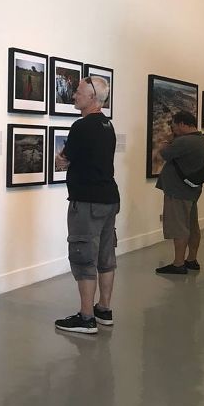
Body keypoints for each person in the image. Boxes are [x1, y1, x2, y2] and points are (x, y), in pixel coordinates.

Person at [54, 76, 120, 334]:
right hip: (109, 199)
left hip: (88, 202)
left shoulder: (81, 127)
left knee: (83, 257)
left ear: (92, 97)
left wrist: (63, 161)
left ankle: (86, 317)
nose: (73, 95)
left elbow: (64, 160)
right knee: (106, 256)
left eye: (78, 92)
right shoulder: (107, 125)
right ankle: (104, 309)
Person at [154, 111, 204, 274]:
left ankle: (178, 264)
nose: (174, 129)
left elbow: (164, 153)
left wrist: (165, 142)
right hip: (191, 191)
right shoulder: (201, 140)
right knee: (192, 227)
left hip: (178, 191)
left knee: (179, 228)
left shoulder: (184, 141)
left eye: (175, 126)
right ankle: (191, 259)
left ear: (183, 124)